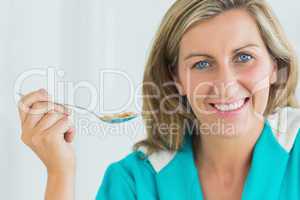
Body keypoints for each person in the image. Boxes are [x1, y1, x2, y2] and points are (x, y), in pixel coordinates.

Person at [18, 0, 300, 199]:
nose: (225, 85)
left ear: (275, 65)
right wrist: (60, 171)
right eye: (202, 64)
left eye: (243, 57)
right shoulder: (135, 181)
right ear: (175, 78)